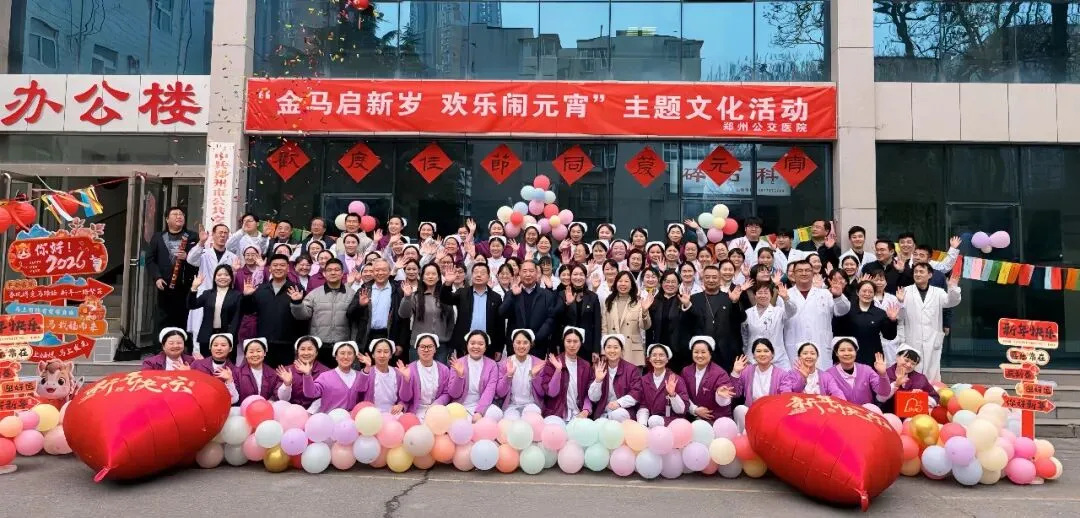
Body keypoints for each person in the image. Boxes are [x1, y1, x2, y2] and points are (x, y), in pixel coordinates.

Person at [896, 264, 962, 382]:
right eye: (916, 272)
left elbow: (951, 302)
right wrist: (900, 302)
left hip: (932, 338)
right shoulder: (905, 291)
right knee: (911, 370)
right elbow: (899, 317)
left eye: (921, 272)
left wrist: (953, 288)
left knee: (932, 374)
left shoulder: (938, 292)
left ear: (930, 275)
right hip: (912, 339)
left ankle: (931, 392)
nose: (918, 274)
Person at [783, 260, 850, 370]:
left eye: (807, 270)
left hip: (821, 346)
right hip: (794, 345)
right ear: (793, 274)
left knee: (821, 377)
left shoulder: (825, 293)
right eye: (800, 270)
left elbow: (842, 311)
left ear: (813, 273)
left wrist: (838, 296)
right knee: (797, 377)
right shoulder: (785, 295)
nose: (804, 273)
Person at [240, 254, 302, 367]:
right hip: (264, 342)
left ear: (288, 268)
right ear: (269, 269)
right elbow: (249, 311)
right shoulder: (261, 289)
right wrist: (247, 296)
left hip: (287, 343)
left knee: (285, 375)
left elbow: (302, 316)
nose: (278, 268)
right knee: (266, 374)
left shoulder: (296, 289)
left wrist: (297, 301)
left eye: (282, 265)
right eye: (275, 265)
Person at [682, 265, 746, 372]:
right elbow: (686, 325)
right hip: (702, 352)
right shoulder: (693, 299)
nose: (711, 280)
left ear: (720, 279)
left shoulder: (729, 297)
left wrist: (735, 302)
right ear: (702, 279)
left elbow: (740, 319)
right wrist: (687, 306)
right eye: (707, 277)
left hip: (726, 352)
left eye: (714, 277)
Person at [147, 206, 199, 333]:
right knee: (163, 318)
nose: (179, 217)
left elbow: (200, 258)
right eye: (175, 214)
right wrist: (157, 277)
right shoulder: (158, 237)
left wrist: (187, 256)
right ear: (167, 219)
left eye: (181, 214)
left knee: (184, 318)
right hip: (165, 285)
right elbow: (150, 260)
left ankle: (184, 343)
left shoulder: (192, 236)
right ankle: (162, 344)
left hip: (185, 285)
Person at [186, 223, 238, 350]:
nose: (223, 235)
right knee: (200, 330)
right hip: (205, 296)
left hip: (224, 297)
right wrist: (201, 242)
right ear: (213, 235)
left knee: (222, 330)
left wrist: (235, 271)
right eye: (220, 232)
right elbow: (191, 260)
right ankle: (199, 356)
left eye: (225, 233)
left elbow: (233, 280)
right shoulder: (203, 253)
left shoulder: (233, 257)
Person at [348, 259, 409, 361]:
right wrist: (360, 305)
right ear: (372, 272)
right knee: (367, 368)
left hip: (390, 336)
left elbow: (404, 319)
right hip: (367, 338)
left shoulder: (398, 290)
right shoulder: (364, 289)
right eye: (376, 270)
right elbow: (350, 314)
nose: (380, 273)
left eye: (384, 270)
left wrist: (401, 343)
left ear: (389, 272)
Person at [441, 263, 505, 360]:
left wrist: (499, 348)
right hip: (464, 344)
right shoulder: (462, 293)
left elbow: (500, 324)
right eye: (475, 272)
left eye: (482, 273)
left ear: (488, 277)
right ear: (471, 275)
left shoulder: (496, 297)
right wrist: (448, 283)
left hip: (488, 345)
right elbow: (445, 299)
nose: (478, 275)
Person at [499, 261, 558, 357]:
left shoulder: (547, 295)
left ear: (537, 273)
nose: (528, 274)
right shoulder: (511, 293)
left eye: (531, 271)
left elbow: (550, 320)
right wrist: (513, 296)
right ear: (519, 273)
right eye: (524, 271)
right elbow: (502, 314)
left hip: (538, 346)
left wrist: (535, 339)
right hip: (515, 346)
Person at [833, 280, 899, 366]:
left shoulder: (880, 313)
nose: (867, 294)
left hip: (873, 355)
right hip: (850, 354)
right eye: (864, 291)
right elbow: (838, 331)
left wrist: (892, 321)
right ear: (857, 292)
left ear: (874, 294)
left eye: (870, 292)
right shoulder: (848, 310)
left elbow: (889, 336)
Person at [399, 263, 454, 362]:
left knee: (440, 371)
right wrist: (407, 297)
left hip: (440, 346)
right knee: (416, 371)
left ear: (438, 277)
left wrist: (448, 340)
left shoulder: (446, 296)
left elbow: (451, 322)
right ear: (422, 277)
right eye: (427, 274)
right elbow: (404, 314)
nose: (430, 276)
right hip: (418, 345)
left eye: (433, 274)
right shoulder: (415, 296)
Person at [188, 265, 243, 360]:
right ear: (214, 278)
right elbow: (191, 305)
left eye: (226, 275)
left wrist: (229, 336)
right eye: (219, 275)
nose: (222, 277)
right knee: (207, 364)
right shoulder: (207, 294)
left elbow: (236, 318)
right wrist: (194, 288)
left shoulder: (237, 295)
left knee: (227, 365)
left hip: (227, 334)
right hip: (207, 336)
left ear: (231, 278)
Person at [741, 280, 796, 370]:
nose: (763, 295)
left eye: (766, 293)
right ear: (755, 295)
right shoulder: (748, 313)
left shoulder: (778, 311)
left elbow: (792, 311)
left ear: (771, 295)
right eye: (759, 293)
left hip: (777, 358)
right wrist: (747, 352)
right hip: (754, 359)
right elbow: (744, 335)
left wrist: (786, 298)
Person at [601, 271, 653, 366]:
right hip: (612, 351)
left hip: (632, 352)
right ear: (616, 283)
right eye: (620, 281)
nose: (623, 284)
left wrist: (645, 311)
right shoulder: (608, 302)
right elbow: (604, 328)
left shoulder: (638, 302)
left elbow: (645, 326)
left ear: (632, 285)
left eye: (626, 281)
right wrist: (603, 351)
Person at [541, 327, 593, 421]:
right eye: (568, 341)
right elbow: (551, 393)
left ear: (581, 343)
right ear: (563, 342)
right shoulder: (552, 363)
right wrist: (558, 371)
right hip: (556, 414)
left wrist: (586, 410)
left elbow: (588, 393)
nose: (572, 345)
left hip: (579, 415)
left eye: (575, 341)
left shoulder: (586, 366)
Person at [297, 341, 365, 412]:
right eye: (342, 353)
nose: (346, 357)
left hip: (352, 418)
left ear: (354, 357)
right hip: (330, 417)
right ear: (336, 357)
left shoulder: (360, 376)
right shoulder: (325, 376)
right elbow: (311, 393)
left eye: (350, 353)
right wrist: (307, 375)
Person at [680, 336, 736, 423]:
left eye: (703, 352)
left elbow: (724, 403)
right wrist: (694, 409)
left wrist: (720, 395)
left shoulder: (720, 373)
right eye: (696, 352)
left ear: (710, 354)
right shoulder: (686, 371)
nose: (699, 355)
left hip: (715, 418)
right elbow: (682, 394)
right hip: (691, 417)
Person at [588, 334, 643, 421]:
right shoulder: (598, 368)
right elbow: (593, 398)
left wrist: (619, 403)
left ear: (622, 350)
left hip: (623, 411)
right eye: (609, 347)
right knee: (600, 422)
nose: (612, 350)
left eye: (616, 347)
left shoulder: (631, 369)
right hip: (603, 412)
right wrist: (598, 381)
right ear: (604, 350)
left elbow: (636, 393)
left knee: (617, 415)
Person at [448, 330, 500, 421]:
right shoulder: (458, 363)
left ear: (485, 347)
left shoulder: (492, 365)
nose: (476, 346)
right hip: (460, 405)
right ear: (467, 345)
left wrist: (479, 412)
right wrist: (459, 376)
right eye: (472, 343)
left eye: (481, 344)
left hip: (483, 405)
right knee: (453, 418)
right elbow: (454, 394)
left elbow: (490, 391)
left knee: (497, 413)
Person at [823, 338, 893, 405]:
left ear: (856, 352)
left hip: (866, 411)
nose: (846, 353)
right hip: (842, 412)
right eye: (842, 350)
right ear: (836, 353)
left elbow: (884, 393)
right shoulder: (829, 374)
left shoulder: (866, 370)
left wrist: (882, 374)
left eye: (850, 350)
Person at [399, 334, 455, 417]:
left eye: (430, 346)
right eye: (422, 347)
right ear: (417, 349)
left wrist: (437, 404)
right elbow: (405, 398)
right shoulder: (409, 369)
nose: (426, 350)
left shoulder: (444, 369)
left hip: (437, 410)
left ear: (435, 349)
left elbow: (446, 393)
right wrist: (406, 380)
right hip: (416, 411)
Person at [635, 343, 689, 427]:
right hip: (651, 422)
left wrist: (673, 395)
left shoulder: (676, 379)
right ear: (649, 359)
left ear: (667, 359)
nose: (658, 358)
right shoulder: (644, 380)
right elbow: (643, 405)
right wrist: (642, 425)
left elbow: (682, 410)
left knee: (654, 420)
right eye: (654, 355)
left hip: (673, 422)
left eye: (661, 355)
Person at [494, 329, 546, 414]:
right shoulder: (504, 364)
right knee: (511, 421)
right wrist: (508, 376)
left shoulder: (539, 364)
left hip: (532, 405)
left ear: (531, 344)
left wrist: (534, 376)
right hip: (511, 406)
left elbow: (542, 393)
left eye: (525, 343)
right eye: (518, 342)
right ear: (513, 344)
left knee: (532, 419)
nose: (521, 346)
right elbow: (500, 393)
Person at [878, 344, 940, 413]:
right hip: (887, 414)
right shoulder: (884, 374)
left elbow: (935, 397)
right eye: (906, 360)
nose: (908, 365)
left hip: (913, 416)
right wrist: (896, 385)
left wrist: (922, 396)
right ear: (897, 357)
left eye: (913, 364)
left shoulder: (921, 379)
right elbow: (879, 399)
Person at [648, 271, 689, 372]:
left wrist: (687, 305)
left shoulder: (683, 300)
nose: (670, 284)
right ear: (661, 283)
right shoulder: (653, 301)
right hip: (658, 349)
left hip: (678, 350)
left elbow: (689, 322)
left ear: (678, 284)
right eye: (667, 281)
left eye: (673, 282)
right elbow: (648, 328)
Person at [559, 264, 602, 360]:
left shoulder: (593, 297)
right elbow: (558, 319)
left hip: (587, 346)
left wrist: (596, 349)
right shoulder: (562, 294)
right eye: (575, 274)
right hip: (567, 344)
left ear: (585, 277)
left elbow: (597, 324)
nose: (578, 277)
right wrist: (567, 304)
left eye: (581, 274)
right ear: (570, 276)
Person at [354, 338, 404, 414]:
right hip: (371, 413)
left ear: (391, 355)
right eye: (378, 351)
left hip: (393, 413)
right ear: (373, 355)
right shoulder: (368, 371)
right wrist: (367, 367)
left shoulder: (397, 373)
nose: (382, 355)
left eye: (386, 352)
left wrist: (401, 405)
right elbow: (359, 389)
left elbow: (404, 397)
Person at [730, 338, 785, 407]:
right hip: (752, 409)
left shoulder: (782, 374)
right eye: (758, 351)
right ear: (753, 355)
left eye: (766, 351)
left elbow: (785, 396)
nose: (762, 354)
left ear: (772, 354)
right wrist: (735, 372)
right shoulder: (747, 371)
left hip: (772, 410)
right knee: (739, 409)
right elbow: (735, 394)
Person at [781, 342, 846, 399]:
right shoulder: (790, 375)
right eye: (805, 353)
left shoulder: (826, 376)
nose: (809, 356)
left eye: (812, 353)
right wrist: (803, 379)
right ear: (799, 357)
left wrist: (844, 404)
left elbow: (836, 392)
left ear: (817, 357)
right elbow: (786, 395)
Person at [235, 338, 292, 403]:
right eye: (251, 352)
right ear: (245, 355)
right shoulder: (237, 373)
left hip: (267, 408)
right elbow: (234, 399)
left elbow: (280, 398)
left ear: (264, 353)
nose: (255, 354)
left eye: (258, 351)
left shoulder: (273, 374)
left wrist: (287, 384)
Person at [189, 333, 239, 404]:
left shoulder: (235, 370)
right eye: (215, 345)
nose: (219, 348)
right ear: (210, 347)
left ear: (230, 349)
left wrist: (229, 380)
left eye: (223, 345)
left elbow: (234, 400)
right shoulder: (197, 365)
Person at [286, 336, 330, 409]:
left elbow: (326, 397)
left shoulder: (326, 373)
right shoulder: (287, 370)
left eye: (310, 349)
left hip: (315, 413)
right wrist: (286, 384)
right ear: (297, 352)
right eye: (302, 349)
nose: (306, 353)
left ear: (316, 352)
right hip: (289, 411)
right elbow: (279, 398)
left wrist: (309, 413)